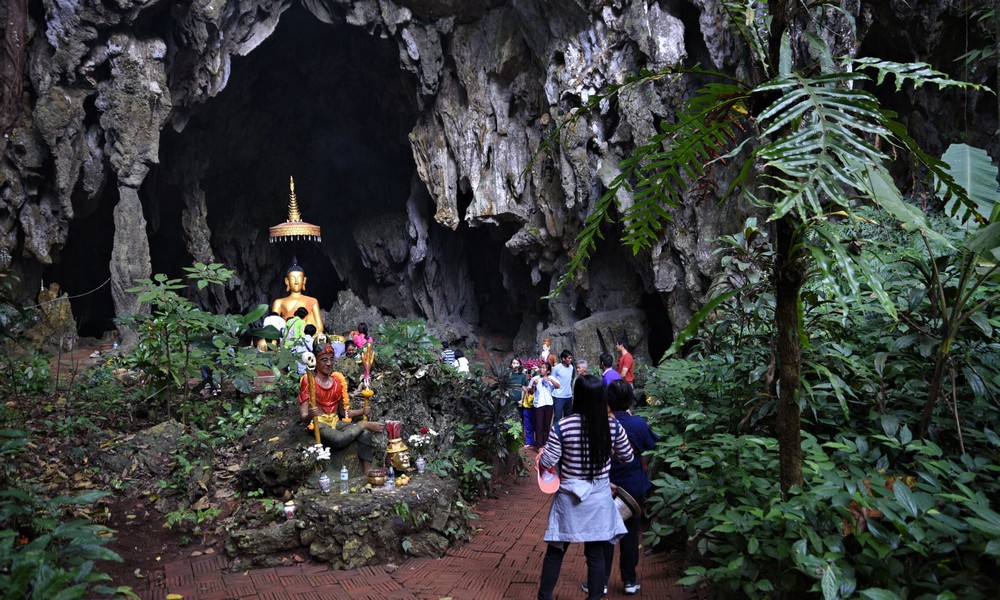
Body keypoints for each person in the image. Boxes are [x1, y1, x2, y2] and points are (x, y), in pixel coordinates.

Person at [537, 375, 633, 600]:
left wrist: (543, 457)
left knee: (556, 551)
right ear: (602, 397)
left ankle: (545, 597)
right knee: (596, 553)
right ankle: (595, 597)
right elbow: (627, 456)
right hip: (598, 498)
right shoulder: (612, 425)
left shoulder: (563, 426)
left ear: (578, 395)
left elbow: (548, 461)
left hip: (569, 498)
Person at [604, 379, 658, 595]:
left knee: (604, 535)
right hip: (633, 489)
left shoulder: (601, 423)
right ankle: (629, 581)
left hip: (606, 487)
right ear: (629, 400)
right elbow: (651, 446)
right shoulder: (638, 424)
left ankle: (600, 582)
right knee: (630, 534)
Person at [299, 344, 385, 474]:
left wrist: (361, 411)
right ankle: (363, 424)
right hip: (319, 424)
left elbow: (343, 412)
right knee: (338, 439)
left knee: (366, 434)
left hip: (335, 421)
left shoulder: (338, 381)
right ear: (315, 362)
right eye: (324, 360)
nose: (329, 363)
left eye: (331, 359)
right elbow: (304, 418)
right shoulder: (309, 381)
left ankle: (367, 468)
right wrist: (311, 415)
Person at [272, 261, 324, 334]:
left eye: (299, 278)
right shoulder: (279, 302)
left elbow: (320, 328)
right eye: (293, 278)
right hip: (288, 334)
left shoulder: (313, 301)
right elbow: (273, 325)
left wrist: (305, 331)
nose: (296, 282)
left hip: (307, 334)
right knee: (262, 343)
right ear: (287, 281)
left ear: (304, 280)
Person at [525, 361, 558, 448]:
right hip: (539, 405)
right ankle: (539, 445)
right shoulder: (535, 378)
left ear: (548, 371)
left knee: (547, 425)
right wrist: (534, 386)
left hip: (549, 404)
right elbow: (530, 392)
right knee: (539, 425)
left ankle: (545, 444)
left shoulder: (551, 378)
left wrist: (549, 379)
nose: (541, 369)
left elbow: (558, 386)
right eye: (541, 367)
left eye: (544, 368)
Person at [507, 358, 533, 448]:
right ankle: (511, 439)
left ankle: (520, 439)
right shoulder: (508, 375)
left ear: (520, 364)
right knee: (510, 418)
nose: (515, 365)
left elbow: (524, 387)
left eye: (517, 363)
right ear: (511, 364)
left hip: (520, 401)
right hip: (510, 400)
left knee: (520, 419)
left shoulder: (522, 376)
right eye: (513, 363)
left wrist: (521, 400)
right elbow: (506, 387)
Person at [551, 350, 575, 421]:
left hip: (568, 396)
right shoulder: (557, 368)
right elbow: (552, 379)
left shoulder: (571, 367)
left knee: (568, 417)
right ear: (563, 359)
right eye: (569, 358)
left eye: (571, 358)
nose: (570, 360)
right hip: (558, 396)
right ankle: (556, 431)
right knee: (558, 417)